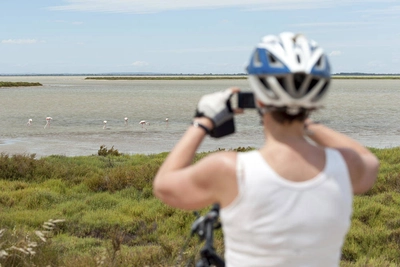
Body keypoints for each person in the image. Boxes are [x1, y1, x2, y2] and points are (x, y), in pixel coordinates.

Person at [153, 32, 379, 266]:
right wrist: (307, 125)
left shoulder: (229, 169)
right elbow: (368, 160)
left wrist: (203, 121)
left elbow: (164, 186)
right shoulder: (346, 166)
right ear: (316, 100)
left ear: (259, 100)